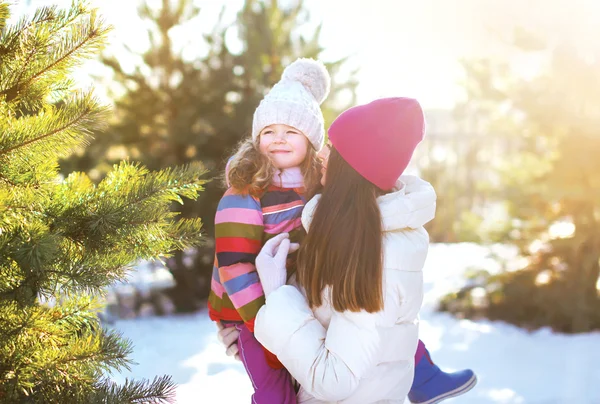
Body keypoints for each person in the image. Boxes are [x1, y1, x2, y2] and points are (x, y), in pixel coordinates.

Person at [253, 97, 476, 403]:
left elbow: (334, 379)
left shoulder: (378, 255)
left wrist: (278, 296)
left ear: (352, 166)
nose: (321, 153)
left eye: (332, 146)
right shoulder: (353, 236)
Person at [207, 58, 330, 404]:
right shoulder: (245, 191)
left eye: (291, 131)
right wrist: (262, 323)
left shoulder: (313, 186)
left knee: (302, 385)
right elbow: (234, 264)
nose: (278, 139)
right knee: (275, 392)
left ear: (310, 141)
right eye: (268, 131)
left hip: (289, 303)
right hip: (246, 311)